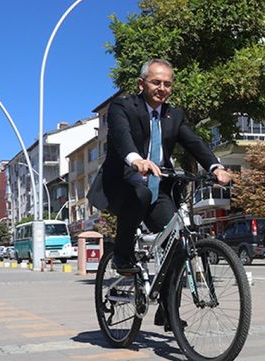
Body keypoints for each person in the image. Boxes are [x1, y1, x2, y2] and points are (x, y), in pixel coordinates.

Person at [95, 58, 231, 330]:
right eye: (156, 82)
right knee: (140, 194)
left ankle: (168, 311)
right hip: (124, 182)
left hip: (160, 187)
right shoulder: (124, 107)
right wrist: (135, 160)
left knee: (179, 245)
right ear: (141, 83)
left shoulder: (173, 115)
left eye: (167, 84)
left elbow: (194, 142)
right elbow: (121, 136)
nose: (162, 88)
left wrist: (215, 166)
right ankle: (122, 254)